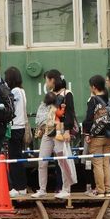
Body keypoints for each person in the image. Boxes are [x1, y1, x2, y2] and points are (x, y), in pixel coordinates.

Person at [32, 70, 77, 199]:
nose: (45, 83)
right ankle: (42, 189)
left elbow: (69, 113)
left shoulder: (67, 94)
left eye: (46, 80)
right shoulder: (50, 94)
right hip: (48, 131)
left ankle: (66, 189)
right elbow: (46, 113)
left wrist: (67, 131)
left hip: (61, 131)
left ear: (52, 80)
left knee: (62, 161)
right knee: (42, 160)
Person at [83, 75, 110, 197]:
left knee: (97, 163)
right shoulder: (109, 99)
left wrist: (87, 133)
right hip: (109, 135)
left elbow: (89, 118)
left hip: (96, 136)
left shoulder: (93, 100)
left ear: (94, 87)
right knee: (106, 163)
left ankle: (100, 191)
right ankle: (108, 190)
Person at [5, 66, 28, 196]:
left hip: (15, 127)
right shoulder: (22, 91)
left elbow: (10, 109)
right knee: (17, 157)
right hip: (21, 127)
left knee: (14, 159)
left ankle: (18, 187)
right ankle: (21, 186)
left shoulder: (15, 91)